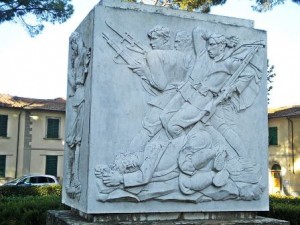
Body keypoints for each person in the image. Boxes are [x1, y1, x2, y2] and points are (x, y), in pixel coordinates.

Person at [161, 28, 263, 158]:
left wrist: (232, 89)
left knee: (173, 126)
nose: (209, 48)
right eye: (208, 44)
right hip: (190, 94)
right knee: (164, 117)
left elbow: (248, 73)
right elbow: (197, 31)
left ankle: (188, 154)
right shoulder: (205, 54)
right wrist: (219, 37)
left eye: (213, 45)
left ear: (221, 47)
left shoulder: (229, 63)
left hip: (203, 100)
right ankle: (191, 150)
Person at [126, 27, 194, 153]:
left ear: (165, 39)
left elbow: (161, 84)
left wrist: (145, 71)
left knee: (147, 131)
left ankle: (126, 160)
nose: (151, 42)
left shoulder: (154, 54)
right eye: (151, 39)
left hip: (166, 100)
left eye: (154, 38)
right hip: (183, 100)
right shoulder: (187, 57)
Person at [65, 31, 91, 199]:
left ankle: (74, 178)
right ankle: (72, 177)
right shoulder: (78, 57)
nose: (72, 48)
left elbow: (76, 82)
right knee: (72, 140)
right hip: (77, 99)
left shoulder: (81, 55)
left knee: (76, 140)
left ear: (77, 42)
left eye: (73, 44)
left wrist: (71, 76)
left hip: (79, 97)